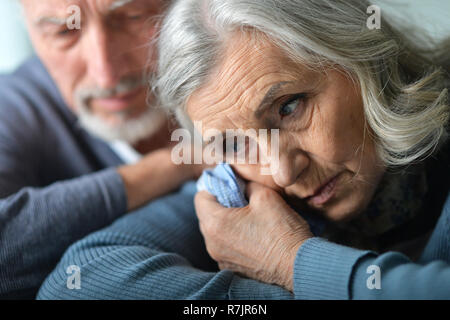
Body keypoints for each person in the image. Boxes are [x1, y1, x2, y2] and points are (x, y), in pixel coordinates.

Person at [37, 0, 450, 299]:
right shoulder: (241, 193)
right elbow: (73, 285)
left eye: (289, 107)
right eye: (234, 145)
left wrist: (292, 264)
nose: (283, 172)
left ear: (362, 56)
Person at [0, 0, 202, 299]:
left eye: (133, 17)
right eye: (62, 32)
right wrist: (184, 161)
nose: (106, 74)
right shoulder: (14, 105)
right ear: (30, 30)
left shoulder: (235, 64)